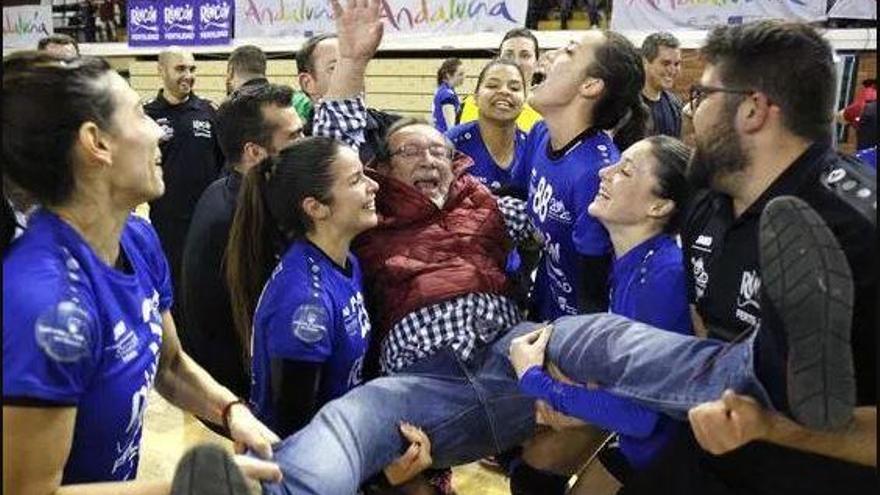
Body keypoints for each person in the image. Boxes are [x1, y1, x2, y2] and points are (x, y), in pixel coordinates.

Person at [260, 4, 869, 494]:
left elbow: (588, 229)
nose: (429, 159)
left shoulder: (493, 204)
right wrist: (355, 60)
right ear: (383, 170)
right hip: (423, 381)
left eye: (440, 151)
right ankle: (274, 487)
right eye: (412, 153)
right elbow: (330, 163)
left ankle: (754, 369)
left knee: (599, 336)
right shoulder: (377, 213)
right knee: (349, 423)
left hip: (515, 352)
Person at [2, 50, 281, 493]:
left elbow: (168, 365)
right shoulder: (43, 305)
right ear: (97, 143)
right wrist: (179, 490)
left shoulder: (138, 239)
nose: (158, 132)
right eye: (139, 114)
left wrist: (232, 410)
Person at [621, 21, 877, 495]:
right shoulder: (706, 201)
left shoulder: (858, 230)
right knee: (591, 345)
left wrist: (773, 427)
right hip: (710, 449)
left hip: (810, 473)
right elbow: (705, 323)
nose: (691, 112)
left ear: (754, 109)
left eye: (702, 95)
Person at [224, 136, 434, 490]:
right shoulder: (306, 304)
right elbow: (297, 440)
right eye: (355, 180)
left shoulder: (345, 262)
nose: (373, 185)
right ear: (316, 207)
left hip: (340, 447)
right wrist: (379, 482)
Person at [508, 136, 693, 488]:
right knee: (532, 473)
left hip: (667, 456)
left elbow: (641, 416)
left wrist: (537, 380)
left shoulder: (663, 277)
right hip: (642, 442)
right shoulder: (632, 261)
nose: (604, 173)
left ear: (658, 207)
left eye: (625, 171)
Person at [510, 29, 648, 322]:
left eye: (569, 51)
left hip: (576, 328)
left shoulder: (595, 174)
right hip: (544, 303)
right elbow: (514, 201)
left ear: (590, 85)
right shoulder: (539, 133)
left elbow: (593, 295)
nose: (549, 55)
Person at [180, 84, 304, 404]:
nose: (305, 145)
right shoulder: (238, 220)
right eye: (294, 137)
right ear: (254, 152)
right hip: (246, 395)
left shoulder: (225, 190)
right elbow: (232, 325)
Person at [144, 47, 224, 327]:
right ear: (161, 71)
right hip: (168, 227)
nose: (188, 76)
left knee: (209, 289)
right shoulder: (146, 118)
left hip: (207, 222)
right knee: (174, 293)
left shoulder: (209, 112)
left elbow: (223, 165)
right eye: (180, 69)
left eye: (192, 69)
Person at [295, 33, 399, 163]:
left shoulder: (395, 130)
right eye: (336, 68)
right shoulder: (299, 146)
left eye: (356, 66)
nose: (352, 75)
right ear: (307, 83)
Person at [446, 59, 528, 193]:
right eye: (492, 85)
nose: (504, 91)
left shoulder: (532, 149)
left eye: (514, 88)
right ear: (476, 97)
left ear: (524, 101)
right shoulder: (452, 144)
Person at [458, 28, 543, 132]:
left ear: (537, 63)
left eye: (525, 55)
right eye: (508, 55)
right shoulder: (469, 105)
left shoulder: (546, 114)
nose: (516, 62)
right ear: (498, 60)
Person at [640, 32, 683, 138]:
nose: (672, 70)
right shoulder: (626, 105)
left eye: (676, 64)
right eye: (666, 63)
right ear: (645, 62)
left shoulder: (675, 104)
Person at [432, 57, 465, 133]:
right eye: (460, 74)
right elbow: (451, 128)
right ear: (448, 75)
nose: (464, 77)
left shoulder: (443, 89)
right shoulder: (447, 95)